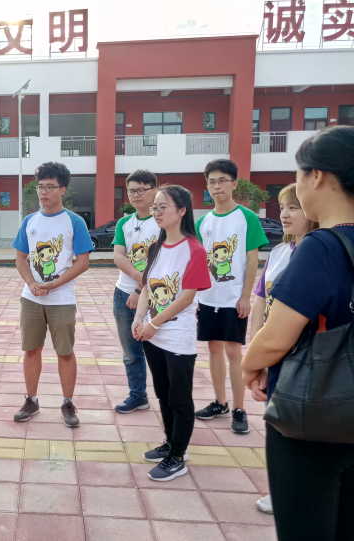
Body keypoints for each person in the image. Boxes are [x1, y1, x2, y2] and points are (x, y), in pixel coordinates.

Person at [242, 126, 354, 540]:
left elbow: (275, 337)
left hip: (314, 414)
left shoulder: (320, 247)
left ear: (317, 176)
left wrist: (249, 366)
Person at [132, 185, 211, 481]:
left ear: (182, 210)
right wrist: (139, 318)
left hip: (176, 335)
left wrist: (153, 324)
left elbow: (186, 297)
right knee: (163, 393)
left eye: (162, 206)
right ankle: (171, 442)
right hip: (153, 334)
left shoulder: (194, 250)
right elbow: (147, 288)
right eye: (155, 207)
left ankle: (178, 456)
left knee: (179, 397)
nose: (156, 211)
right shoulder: (156, 247)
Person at [248, 183, 318, 514]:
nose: (285, 214)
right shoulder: (279, 253)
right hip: (274, 354)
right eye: (283, 207)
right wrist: (255, 351)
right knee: (276, 423)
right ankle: (282, 490)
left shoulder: (319, 254)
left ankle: (300, 491)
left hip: (305, 356)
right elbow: (260, 301)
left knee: (304, 426)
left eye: (294, 207)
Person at [12, 162, 93, 427]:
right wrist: (31, 283)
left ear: (62, 189)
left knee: (65, 352)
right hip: (31, 297)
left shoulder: (74, 222)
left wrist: (53, 285)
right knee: (31, 350)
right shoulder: (29, 221)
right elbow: (20, 258)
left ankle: (67, 402)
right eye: (40, 187)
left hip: (62, 299)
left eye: (50, 187)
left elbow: (83, 262)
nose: (44, 192)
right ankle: (31, 399)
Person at [194, 159, 268, 434]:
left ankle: (239, 408)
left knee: (233, 351)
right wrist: (196, 297)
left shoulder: (246, 218)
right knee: (213, 348)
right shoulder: (203, 222)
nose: (217, 186)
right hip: (207, 298)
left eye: (222, 181)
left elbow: (252, 260)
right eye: (212, 182)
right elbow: (198, 262)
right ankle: (220, 402)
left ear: (234, 183)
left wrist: (245, 296)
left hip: (234, 298)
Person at [111, 170, 160, 413]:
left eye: (142, 190)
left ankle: (167, 397)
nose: (136, 195)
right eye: (132, 191)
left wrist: (141, 289)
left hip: (156, 297)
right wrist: (137, 280)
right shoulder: (124, 223)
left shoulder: (162, 221)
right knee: (131, 351)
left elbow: (162, 259)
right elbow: (119, 256)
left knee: (158, 349)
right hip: (123, 293)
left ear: (154, 190)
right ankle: (138, 395)